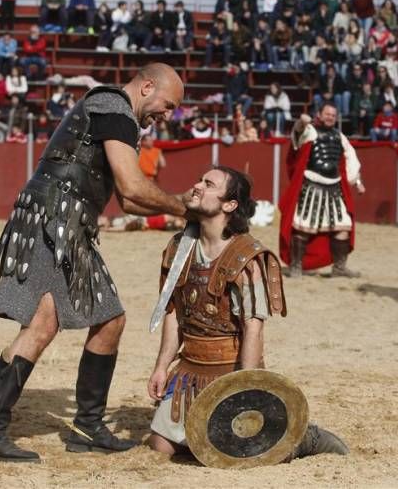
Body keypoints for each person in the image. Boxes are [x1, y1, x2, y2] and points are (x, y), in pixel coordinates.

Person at [0, 63, 191, 463]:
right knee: (41, 324)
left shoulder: (121, 119)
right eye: (167, 104)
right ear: (146, 87)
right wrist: (186, 207)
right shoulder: (113, 105)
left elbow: (128, 201)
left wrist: (176, 208)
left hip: (70, 224)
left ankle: (86, 426)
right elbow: (131, 186)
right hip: (55, 219)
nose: (167, 115)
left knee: (110, 319)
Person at [147, 165, 348, 460]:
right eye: (198, 179)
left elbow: (253, 328)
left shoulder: (246, 258)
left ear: (230, 205)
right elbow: (173, 313)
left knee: (240, 452)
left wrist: (245, 388)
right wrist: (162, 367)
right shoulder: (179, 247)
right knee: (161, 447)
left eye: (209, 184)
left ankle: (302, 438)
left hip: (230, 367)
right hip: (190, 368)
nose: (197, 186)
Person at [279, 105, 365, 278]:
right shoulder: (309, 131)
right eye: (327, 114)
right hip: (311, 185)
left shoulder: (340, 136)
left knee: (343, 227)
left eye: (333, 115)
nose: (330, 117)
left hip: (335, 187)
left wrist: (357, 181)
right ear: (319, 115)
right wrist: (301, 123)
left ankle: (339, 267)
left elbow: (350, 159)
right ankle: (296, 266)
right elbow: (297, 134)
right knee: (303, 227)